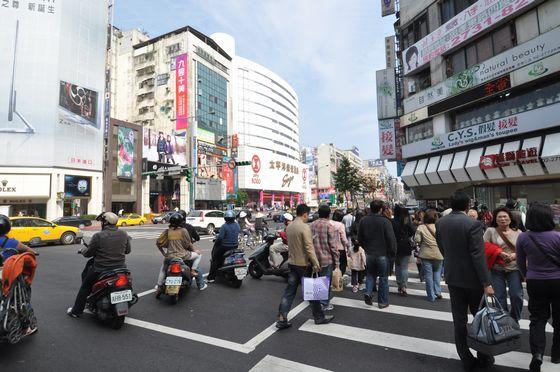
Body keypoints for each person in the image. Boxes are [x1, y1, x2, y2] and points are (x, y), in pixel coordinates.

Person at [435, 191, 495, 371]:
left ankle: (465, 357)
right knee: (480, 318)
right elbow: (478, 255)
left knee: (459, 319)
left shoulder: (441, 222)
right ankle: (484, 356)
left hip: (453, 276)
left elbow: (442, 247)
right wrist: (487, 282)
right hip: (473, 279)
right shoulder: (473, 224)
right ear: (468, 205)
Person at [516, 202, 560, 371]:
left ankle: (537, 354)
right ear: (549, 218)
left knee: (537, 319)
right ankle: (556, 354)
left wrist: (527, 275)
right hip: (558, 281)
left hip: (535, 281)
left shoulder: (524, 237)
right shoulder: (557, 237)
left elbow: (520, 262)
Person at [276, 204, 333, 329]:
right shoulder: (304, 227)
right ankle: (319, 317)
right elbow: (309, 247)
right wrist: (316, 263)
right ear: (305, 214)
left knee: (289, 292)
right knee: (313, 292)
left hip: (292, 263)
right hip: (303, 264)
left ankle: (282, 317)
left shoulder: (289, 227)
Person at [67, 212, 131, 317]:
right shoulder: (124, 234)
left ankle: (76, 311)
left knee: (85, 287)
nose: (101, 223)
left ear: (105, 222)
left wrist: (83, 250)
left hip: (101, 269)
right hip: (121, 268)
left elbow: (88, 253)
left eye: (102, 221)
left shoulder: (98, 236)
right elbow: (127, 251)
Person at [0, 215, 39, 336]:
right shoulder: (12, 242)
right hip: (9, 277)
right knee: (22, 298)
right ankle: (26, 327)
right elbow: (31, 251)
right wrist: (35, 252)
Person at [483, 207, 523, 322]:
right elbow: (483, 246)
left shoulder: (518, 232)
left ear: (510, 218)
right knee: (499, 297)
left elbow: (523, 249)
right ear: (495, 219)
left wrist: (515, 255)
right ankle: (503, 321)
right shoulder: (490, 231)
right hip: (496, 269)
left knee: (516, 296)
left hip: (514, 268)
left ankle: (515, 320)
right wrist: (499, 253)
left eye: (505, 216)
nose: (502, 219)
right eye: (499, 217)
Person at [357, 200, 396, 309]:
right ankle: (382, 302)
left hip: (369, 253)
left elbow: (360, 238)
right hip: (383, 254)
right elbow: (391, 240)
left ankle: (368, 292)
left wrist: (366, 247)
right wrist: (392, 253)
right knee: (383, 278)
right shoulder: (386, 222)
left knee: (370, 275)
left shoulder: (363, 220)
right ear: (381, 209)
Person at [155, 213, 206, 294]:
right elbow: (188, 244)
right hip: (183, 256)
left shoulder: (167, 231)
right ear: (181, 222)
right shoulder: (184, 231)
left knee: (163, 270)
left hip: (169, 257)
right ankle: (193, 270)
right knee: (198, 255)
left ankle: (159, 286)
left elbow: (158, 243)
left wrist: (163, 253)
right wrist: (195, 251)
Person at [310, 204, 340, 311]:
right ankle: (323, 303)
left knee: (317, 279)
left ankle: (317, 301)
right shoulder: (329, 226)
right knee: (325, 280)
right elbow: (333, 246)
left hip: (313, 257)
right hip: (326, 258)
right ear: (329, 214)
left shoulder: (312, 225)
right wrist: (337, 262)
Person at [415, 209, 443, 302]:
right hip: (439, 254)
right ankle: (438, 292)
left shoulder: (421, 227)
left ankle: (431, 296)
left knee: (428, 275)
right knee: (437, 273)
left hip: (426, 254)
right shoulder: (440, 226)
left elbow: (417, 240)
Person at [207, 210, 240, 282]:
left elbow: (220, 238)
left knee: (215, 260)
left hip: (225, 247)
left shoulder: (224, 226)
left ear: (225, 218)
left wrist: (217, 241)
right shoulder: (237, 225)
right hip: (235, 246)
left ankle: (211, 278)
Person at [392, 205, 415, 296]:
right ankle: (404, 286)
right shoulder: (407, 223)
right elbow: (412, 233)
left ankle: (399, 285)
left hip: (396, 246)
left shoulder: (393, 222)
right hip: (406, 245)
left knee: (397, 266)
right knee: (404, 267)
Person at [331, 209, 350, 275]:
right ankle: (338, 280)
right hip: (340, 248)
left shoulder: (329, 223)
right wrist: (348, 245)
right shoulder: (340, 225)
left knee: (332, 266)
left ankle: (332, 280)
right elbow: (343, 239)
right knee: (342, 266)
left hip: (330, 248)